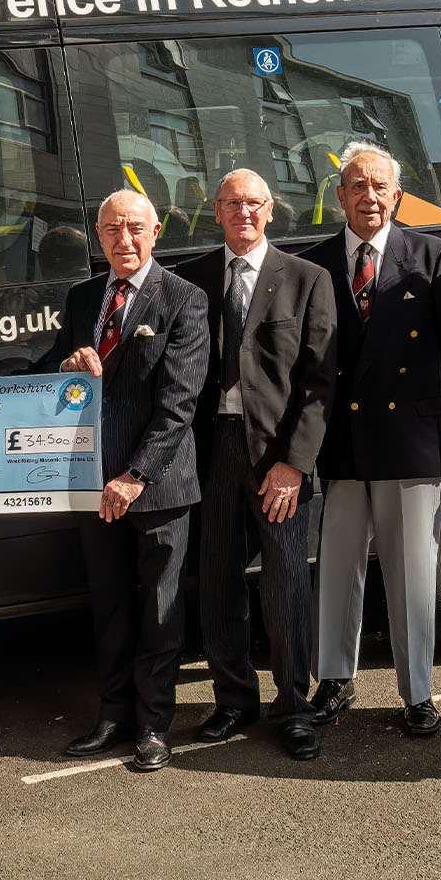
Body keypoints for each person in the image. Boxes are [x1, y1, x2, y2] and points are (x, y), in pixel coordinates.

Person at [302, 144, 441, 738]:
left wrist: (423, 396)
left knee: (411, 571)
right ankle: (334, 680)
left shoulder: (434, 255)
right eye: (355, 186)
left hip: (409, 435)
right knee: (338, 567)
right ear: (339, 195)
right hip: (340, 437)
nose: (368, 196)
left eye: (379, 186)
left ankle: (417, 692)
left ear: (396, 195)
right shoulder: (315, 263)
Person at [44, 189, 208, 771]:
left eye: (135, 227)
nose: (125, 239)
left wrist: (136, 475)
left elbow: (179, 403)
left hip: (156, 486)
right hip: (91, 483)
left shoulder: (184, 299)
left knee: (160, 609)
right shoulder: (84, 295)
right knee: (109, 606)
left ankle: (154, 725)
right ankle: (112, 714)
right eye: (113, 229)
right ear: (98, 234)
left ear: (156, 231)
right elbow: (51, 373)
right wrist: (64, 367)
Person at [176, 169, 336, 760]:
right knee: (216, 579)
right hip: (210, 447)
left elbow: (319, 386)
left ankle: (294, 706)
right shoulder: (190, 279)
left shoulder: (306, 279)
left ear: (271, 211)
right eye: (231, 203)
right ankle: (233, 700)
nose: (243, 212)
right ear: (214, 211)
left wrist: (294, 464)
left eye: (253, 203)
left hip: (277, 454)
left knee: (287, 581)